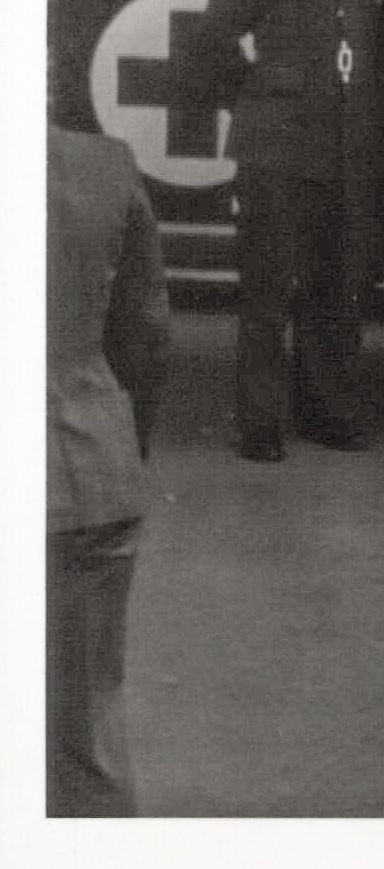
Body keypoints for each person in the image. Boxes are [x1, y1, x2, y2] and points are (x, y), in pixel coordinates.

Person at [195, 0, 384, 461]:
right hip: (277, 153)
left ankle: (327, 413)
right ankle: (259, 423)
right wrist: (261, 98)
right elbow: (215, 40)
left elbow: (375, 55)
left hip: (344, 152)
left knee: (336, 289)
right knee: (269, 289)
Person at [47, 126, 170, 815]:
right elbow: (147, 332)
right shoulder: (105, 165)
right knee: (85, 734)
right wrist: (117, 446)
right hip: (88, 477)